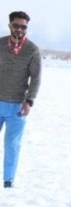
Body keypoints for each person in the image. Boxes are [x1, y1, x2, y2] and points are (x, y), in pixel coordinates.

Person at [0, 11, 42, 188]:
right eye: (16, 25)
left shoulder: (32, 50)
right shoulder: (0, 45)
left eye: (23, 27)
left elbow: (36, 78)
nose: (19, 30)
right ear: (10, 25)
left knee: (12, 144)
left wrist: (29, 100)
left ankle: (8, 181)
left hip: (18, 106)